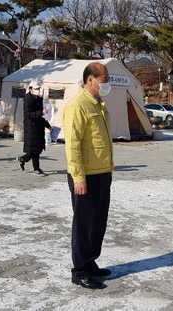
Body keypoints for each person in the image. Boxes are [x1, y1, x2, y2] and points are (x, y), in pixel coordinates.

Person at [63, 62, 114, 289]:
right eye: (104, 80)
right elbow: (72, 145)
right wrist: (78, 177)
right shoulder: (78, 106)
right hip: (85, 176)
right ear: (90, 80)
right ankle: (80, 270)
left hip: (102, 172)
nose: (107, 84)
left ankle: (91, 261)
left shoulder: (99, 105)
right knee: (84, 224)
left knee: (98, 222)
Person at [16, 81, 48, 176]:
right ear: (30, 89)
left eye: (38, 89)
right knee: (34, 150)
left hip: (38, 126)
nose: (37, 91)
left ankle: (23, 159)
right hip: (31, 127)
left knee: (37, 149)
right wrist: (41, 112)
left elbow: (41, 115)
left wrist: (47, 124)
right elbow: (28, 115)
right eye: (36, 89)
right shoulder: (27, 100)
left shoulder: (39, 99)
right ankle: (36, 168)